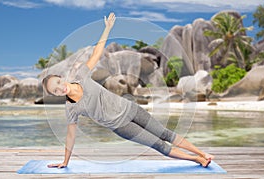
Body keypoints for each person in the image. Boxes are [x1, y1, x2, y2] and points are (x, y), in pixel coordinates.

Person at [43, 12, 214, 169]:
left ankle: (202, 153)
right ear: (56, 95)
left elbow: (96, 53)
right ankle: (197, 160)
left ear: (61, 77)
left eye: (58, 82)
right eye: (56, 90)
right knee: (159, 145)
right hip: (121, 126)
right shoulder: (71, 108)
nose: (60, 88)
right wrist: (65, 161)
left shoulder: (81, 76)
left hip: (131, 109)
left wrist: (107, 29)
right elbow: (70, 136)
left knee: (165, 133)